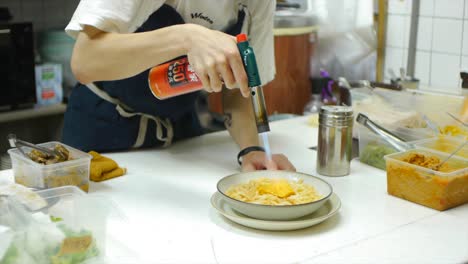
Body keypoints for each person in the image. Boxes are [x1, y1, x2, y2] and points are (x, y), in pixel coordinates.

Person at [63, 0, 296, 172]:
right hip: (102, 131)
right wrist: (187, 38)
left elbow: (238, 87)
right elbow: (85, 61)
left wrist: (251, 149)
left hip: (179, 136)